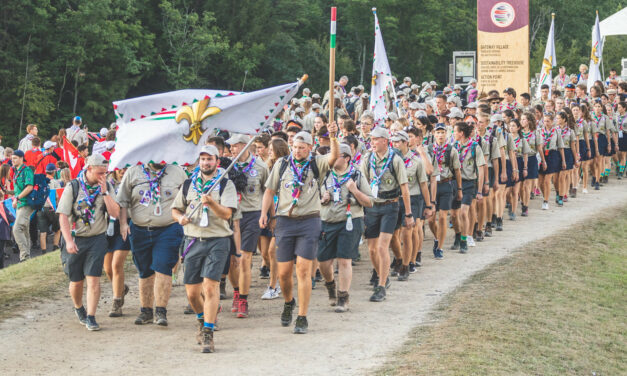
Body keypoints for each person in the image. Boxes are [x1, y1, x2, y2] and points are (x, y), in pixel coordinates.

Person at [259, 124, 339, 334]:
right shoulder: (282, 164)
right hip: (285, 221)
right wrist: (264, 213)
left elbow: (333, 158)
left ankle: (302, 316)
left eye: (302, 148)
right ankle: (288, 302)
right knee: (284, 274)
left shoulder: (316, 163)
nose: (297, 151)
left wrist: (333, 137)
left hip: (309, 221)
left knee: (302, 270)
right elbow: (269, 190)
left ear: (310, 148)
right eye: (295, 147)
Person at [172, 145, 238, 353]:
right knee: (192, 293)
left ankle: (208, 332)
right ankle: (202, 319)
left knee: (210, 287)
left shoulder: (225, 184)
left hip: (218, 240)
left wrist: (211, 203)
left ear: (217, 161)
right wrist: (180, 218)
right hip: (192, 239)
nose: (206, 163)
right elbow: (175, 208)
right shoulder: (189, 184)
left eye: (209, 159)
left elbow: (227, 214)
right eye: (202, 159)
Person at [116, 160, 187, 326]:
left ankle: (161, 311)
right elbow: (123, 201)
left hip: (168, 228)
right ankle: (146, 311)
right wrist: (123, 224)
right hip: (139, 229)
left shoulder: (177, 172)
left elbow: (188, 197)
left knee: (163, 266)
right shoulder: (133, 172)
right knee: (145, 270)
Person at [57, 154, 119, 331]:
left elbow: (114, 213)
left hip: (97, 238)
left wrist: (105, 192)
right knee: (76, 281)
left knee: (93, 279)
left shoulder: (107, 185)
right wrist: (68, 241)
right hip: (75, 237)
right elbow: (62, 215)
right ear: (89, 169)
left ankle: (91, 316)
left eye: (105, 173)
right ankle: (79, 307)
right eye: (100, 173)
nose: (103, 176)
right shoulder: (73, 186)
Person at [317, 143, 372, 312]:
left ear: (347, 158)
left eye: (337, 155)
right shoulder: (324, 174)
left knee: (344, 260)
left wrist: (354, 190)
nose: (332, 158)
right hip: (327, 220)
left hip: (349, 221)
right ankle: (330, 285)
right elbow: (311, 196)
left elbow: (369, 202)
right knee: (323, 262)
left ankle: (343, 297)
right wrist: (322, 198)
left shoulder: (356, 174)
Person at [360, 126, 413, 302]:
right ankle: (383, 274)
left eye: (375, 139)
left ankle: (381, 285)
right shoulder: (367, 158)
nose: (372, 143)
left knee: (383, 247)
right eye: (371, 140)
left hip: (390, 206)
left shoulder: (395, 159)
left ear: (384, 140)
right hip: (372, 206)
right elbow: (361, 180)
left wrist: (409, 213)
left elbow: (404, 187)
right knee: (372, 249)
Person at [226, 133, 269, 319]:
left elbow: (267, 192)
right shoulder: (226, 167)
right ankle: (236, 291)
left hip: (251, 214)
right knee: (230, 261)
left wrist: (269, 216)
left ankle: (243, 299)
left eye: (235, 146)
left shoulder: (260, 166)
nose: (232, 150)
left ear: (244, 146)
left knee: (244, 258)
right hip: (229, 216)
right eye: (231, 147)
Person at [390, 130, 432, 278]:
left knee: (407, 234)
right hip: (394, 199)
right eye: (393, 141)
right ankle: (399, 259)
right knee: (393, 236)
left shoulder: (416, 160)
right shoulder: (390, 160)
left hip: (412, 199)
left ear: (406, 143)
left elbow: (423, 184)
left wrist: (428, 205)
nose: (395, 144)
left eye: (398, 142)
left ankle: (406, 266)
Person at [427, 123, 461, 258]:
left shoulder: (451, 150)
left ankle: (439, 247)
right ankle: (437, 237)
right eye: (438, 132)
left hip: (446, 183)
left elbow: (457, 170)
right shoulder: (428, 149)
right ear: (434, 134)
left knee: (442, 217)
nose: (440, 135)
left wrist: (459, 189)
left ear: (446, 134)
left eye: (442, 132)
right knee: (430, 219)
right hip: (432, 185)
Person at [103, 167, 131, 317]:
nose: (123, 171)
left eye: (126, 168)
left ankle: (117, 302)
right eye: (121, 168)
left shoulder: (131, 181)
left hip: (124, 224)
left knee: (116, 264)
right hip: (107, 226)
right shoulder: (106, 183)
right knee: (108, 269)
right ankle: (120, 288)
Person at [11, 150, 34, 262]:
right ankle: (28, 257)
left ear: (21, 158)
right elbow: (18, 189)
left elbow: (29, 187)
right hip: (20, 204)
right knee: (24, 229)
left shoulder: (27, 170)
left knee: (16, 229)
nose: (13, 160)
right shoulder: (16, 171)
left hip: (26, 203)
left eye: (15, 158)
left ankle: (24, 256)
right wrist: (9, 192)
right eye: (12, 158)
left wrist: (17, 198)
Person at [36, 164, 62, 254]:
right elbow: (58, 197)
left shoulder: (39, 181)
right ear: (54, 171)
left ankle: (44, 252)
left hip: (40, 208)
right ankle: (55, 247)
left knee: (43, 231)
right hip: (52, 208)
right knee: (57, 229)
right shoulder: (55, 182)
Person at [0, 187, 14, 269]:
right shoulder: (3, 207)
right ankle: (1, 268)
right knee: (1, 252)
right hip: (2, 232)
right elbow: (11, 218)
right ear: (2, 198)